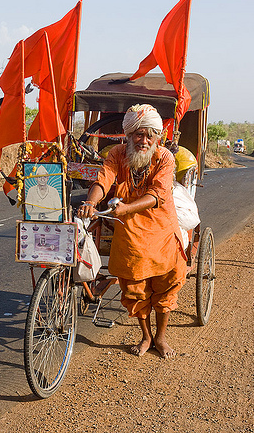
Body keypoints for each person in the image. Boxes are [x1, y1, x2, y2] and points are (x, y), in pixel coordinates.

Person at [78, 104, 187, 359]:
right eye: (139, 134)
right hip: (129, 231)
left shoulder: (164, 158)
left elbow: (159, 194)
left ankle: (160, 337)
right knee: (134, 289)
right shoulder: (117, 154)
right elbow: (103, 179)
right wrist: (90, 202)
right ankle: (146, 336)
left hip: (161, 228)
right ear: (128, 135)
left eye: (150, 135)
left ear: (157, 137)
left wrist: (127, 207)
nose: (144, 140)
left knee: (165, 285)